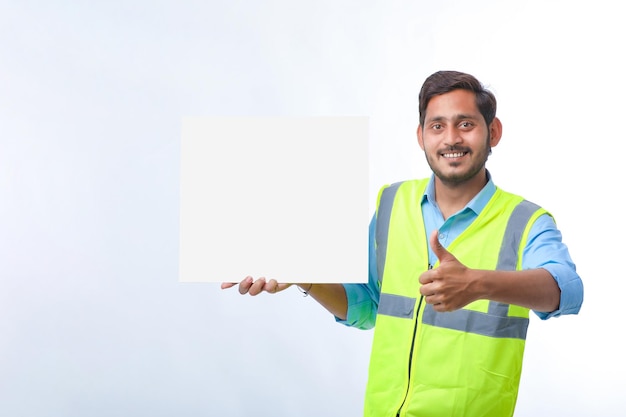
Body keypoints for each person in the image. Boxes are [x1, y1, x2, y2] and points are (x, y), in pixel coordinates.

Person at [222, 70, 584, 417]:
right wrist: (306, 277)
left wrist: (477, 283)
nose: (451, 138)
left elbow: (567, 291)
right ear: (421, 136)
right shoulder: (392, 202)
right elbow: (365, 305)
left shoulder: (525, 221)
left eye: (466, 124)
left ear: (493, 131)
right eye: (437, 126)